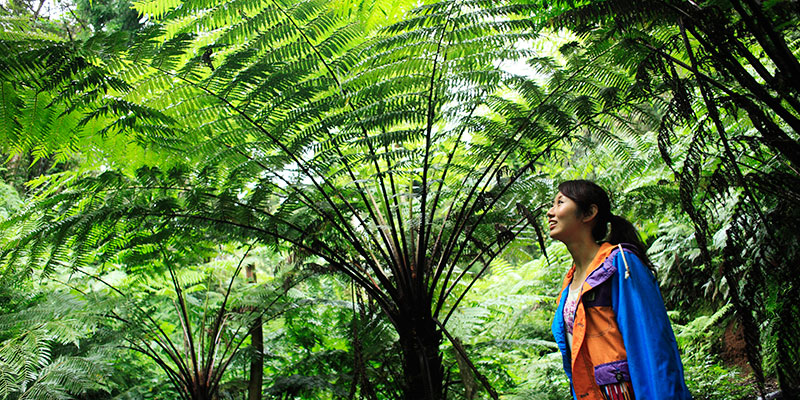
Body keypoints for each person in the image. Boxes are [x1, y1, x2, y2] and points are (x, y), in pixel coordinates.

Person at [547, 180, 692, 400]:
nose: (550, 212)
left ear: (589, 213)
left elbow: (651, 343)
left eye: (560, 203)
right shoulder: (570, 281)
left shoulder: (620, 264)